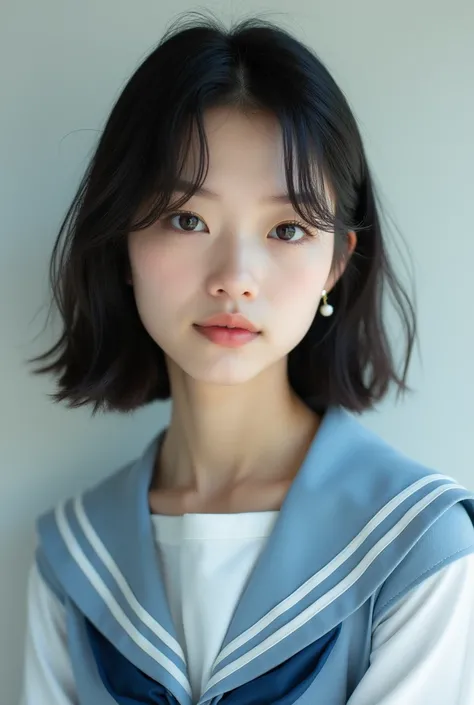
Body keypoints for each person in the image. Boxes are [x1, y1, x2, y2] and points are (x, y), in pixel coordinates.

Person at [20, 12, 474, 705]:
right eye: (187, 219)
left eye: (287, 228)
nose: (235, 275)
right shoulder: (73, 554)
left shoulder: (418, 544)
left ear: (335, 263)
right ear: (123, 245)